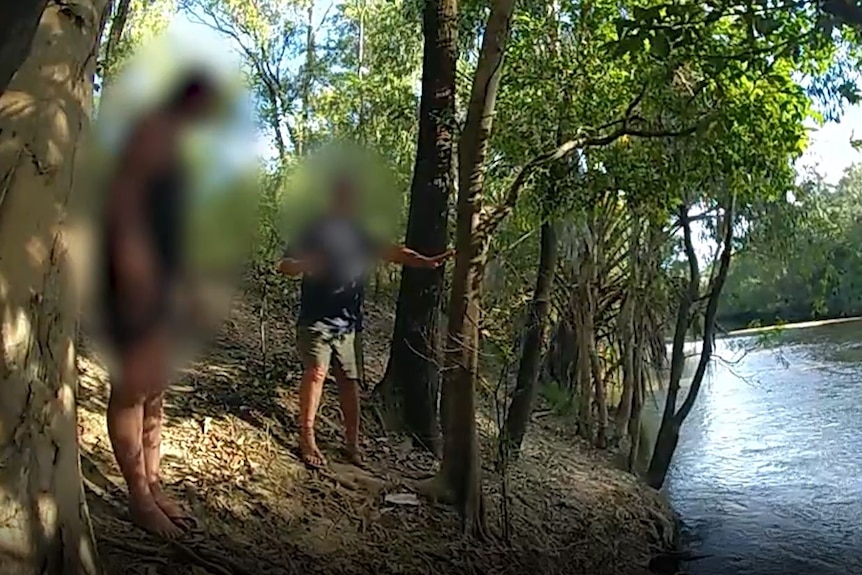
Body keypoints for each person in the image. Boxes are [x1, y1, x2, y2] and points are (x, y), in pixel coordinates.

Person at [100, 71, 218, 538]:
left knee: (154, 390)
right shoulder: (149, 131)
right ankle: (138, 499)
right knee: (131, 388)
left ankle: (153, 483)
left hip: (164, 287)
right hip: (137, 288)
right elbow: (124, 206)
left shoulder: (175, 145)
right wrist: (135, 278)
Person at [277, 177, 453, 468]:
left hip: (349, 324)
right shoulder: (313, 230)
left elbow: (392, 252)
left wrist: (425, 261)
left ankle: (352, 445)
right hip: (316, 317)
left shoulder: (360, 233)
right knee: (316, 373)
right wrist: (305, 265)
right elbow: (284, 265)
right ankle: (306, 438)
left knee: (350, 381)